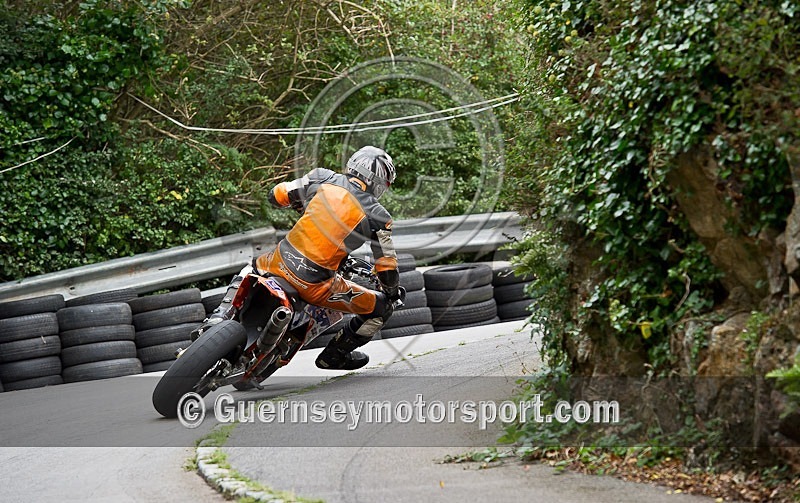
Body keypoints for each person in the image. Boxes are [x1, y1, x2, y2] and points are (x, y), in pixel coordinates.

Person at [197, 146, 401, 371]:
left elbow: (275, 195)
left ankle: (218, 316)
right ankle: (334, 356)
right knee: (382, 309)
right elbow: (387, 266)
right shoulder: (379, 216)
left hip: (275, 264)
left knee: (251, 268)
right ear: (377, 179)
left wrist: (299, 202)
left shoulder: (322, 177)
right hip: (316, 286)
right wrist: (391, 292)